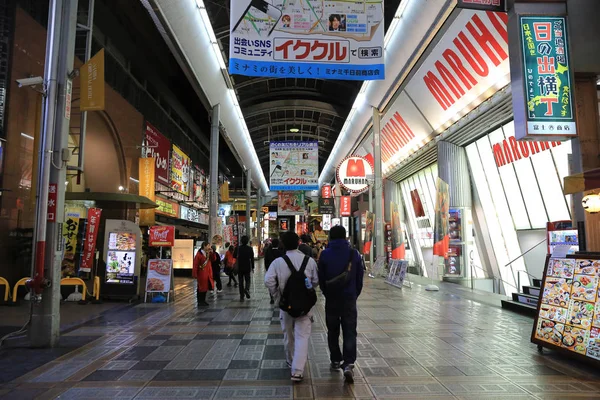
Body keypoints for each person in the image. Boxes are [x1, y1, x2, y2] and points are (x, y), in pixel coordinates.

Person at [265, 232, 318, 382]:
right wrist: (307, 291)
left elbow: (268, 280)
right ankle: (297, 370)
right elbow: (316, 281)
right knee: (302, 336)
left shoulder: (278, 262)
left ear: (283, 244)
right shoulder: (309, 261)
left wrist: (277, 295)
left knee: (288, 335)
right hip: (305, 307)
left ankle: (290, 360)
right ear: (298, 243)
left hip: (286, 306)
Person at [318, 225, 364, 383]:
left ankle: (335, 359)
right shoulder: (354, 254)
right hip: (349, 299)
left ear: (330, 237)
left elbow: (321, 279)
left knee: (333, 330)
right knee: (350, 330)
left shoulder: (324, 254)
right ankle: (349, 363)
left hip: (332, 299)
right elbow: (359, 279)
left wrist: (327, 293)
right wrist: (354, 294)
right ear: (345, 237)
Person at [193, 241, 214, 307]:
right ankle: (200, 301)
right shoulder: (199, 255)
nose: (209, 247)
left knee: (206, 287)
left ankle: (203, 300)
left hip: (208, 273)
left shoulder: (208, 254)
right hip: (201, 273)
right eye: (208, 246)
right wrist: (194, 274)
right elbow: (195, 264)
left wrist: (212, 253)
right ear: (204, 246)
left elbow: (213, 259)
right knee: (201, 287)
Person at [264, 238, 284, 304]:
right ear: (278, 244)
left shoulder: (268, 252)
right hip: (279, 271)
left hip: (270, 270)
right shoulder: (281, 253)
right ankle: (279, 297)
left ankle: (272, 297)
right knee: (279, 283)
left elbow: (265, 261)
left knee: (271, 283)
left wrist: (267, 269)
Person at [235, 235, 254, 301]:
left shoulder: (238, 248)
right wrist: (253, 267)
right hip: (247, 266)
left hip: (240, 266)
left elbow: (234, 256)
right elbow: (252, 258)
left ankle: (241, 296)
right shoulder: (250, 248)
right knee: (248, 280)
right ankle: (247, 289)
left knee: (240, 281)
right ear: (247, 241)